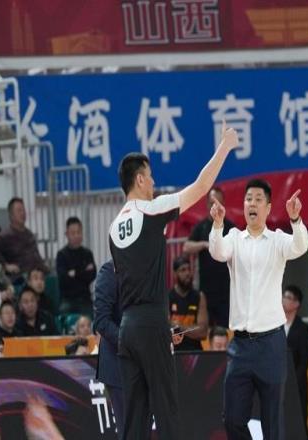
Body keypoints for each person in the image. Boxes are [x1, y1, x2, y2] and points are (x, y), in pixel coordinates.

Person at [109, 122, 238, 440]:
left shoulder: (113, 228)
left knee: (134, 418)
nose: (154, 182)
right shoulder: (152, 210)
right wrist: (224, 147)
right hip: (151, 323)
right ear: (140, 179)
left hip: (127, 328)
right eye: (151, 176)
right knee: (166, 410)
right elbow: (201, 186)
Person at [209, 178, 308, 440]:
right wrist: (217, 224)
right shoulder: (233, 238)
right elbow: (217, 252)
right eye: (248, 199)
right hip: (240, 346)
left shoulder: (277, 240)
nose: (252, 204)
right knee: (232, 419)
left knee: (273, 423)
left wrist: (295, 219)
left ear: (268, 207)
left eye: (258, 199)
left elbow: (300, 247)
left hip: (271, 345)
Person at [183, 187, 235, 327]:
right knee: (205, 329)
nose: (215, 206)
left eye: (219, 203)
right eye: (212, 203)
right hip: (205, 291)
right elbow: (186, 247)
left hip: (226, 291)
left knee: (225, 329)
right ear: (207, 205)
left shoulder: (230, 228)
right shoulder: (201, 227)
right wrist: (205, 244)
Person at [93, 260, 124, 437]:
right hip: (117, 363)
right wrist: (131, 341)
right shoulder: (109, 271)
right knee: (127, 430)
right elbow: (101, 321)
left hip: (145, 364)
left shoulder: (146, 269)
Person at [0, 197, 48, 278]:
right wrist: (5, 265)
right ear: (11, 215)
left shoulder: (29, 234)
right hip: (20, 278)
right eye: (19, 210)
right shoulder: (4, 236)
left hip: (37, 275)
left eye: (23, 210)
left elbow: (37, 257)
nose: (23, 213)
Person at [282, 285, 308, 438]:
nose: (284, 300)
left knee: (299, 423)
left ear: (296, 304)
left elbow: (304, 360)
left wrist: (292, 381)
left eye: (288, 298)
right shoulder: (276, 325)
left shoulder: (302, 328)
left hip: (297, 385)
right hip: (278, 383)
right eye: (284, 296)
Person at [56, 216, 96, 316]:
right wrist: (83, 271)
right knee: (65, 319)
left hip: (85, 299)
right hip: (68, 300)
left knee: (91, 321)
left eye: (79, 232)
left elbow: (92, 275)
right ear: (67, 234)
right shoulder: (62, 255)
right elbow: (63, 279)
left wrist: (74, 273)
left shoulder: (87, 253)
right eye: (73, 233)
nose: (76, 236)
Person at [168, 256, 208, 351]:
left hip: (194, 351)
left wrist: (178, 327)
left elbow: (203, 332)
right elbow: (165, 328)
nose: (187, 273)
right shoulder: (167, 297)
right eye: (183, 270)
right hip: (174, 351)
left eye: (189, 269)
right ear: (175, 274)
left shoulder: (199, 296)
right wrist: (192, 329)